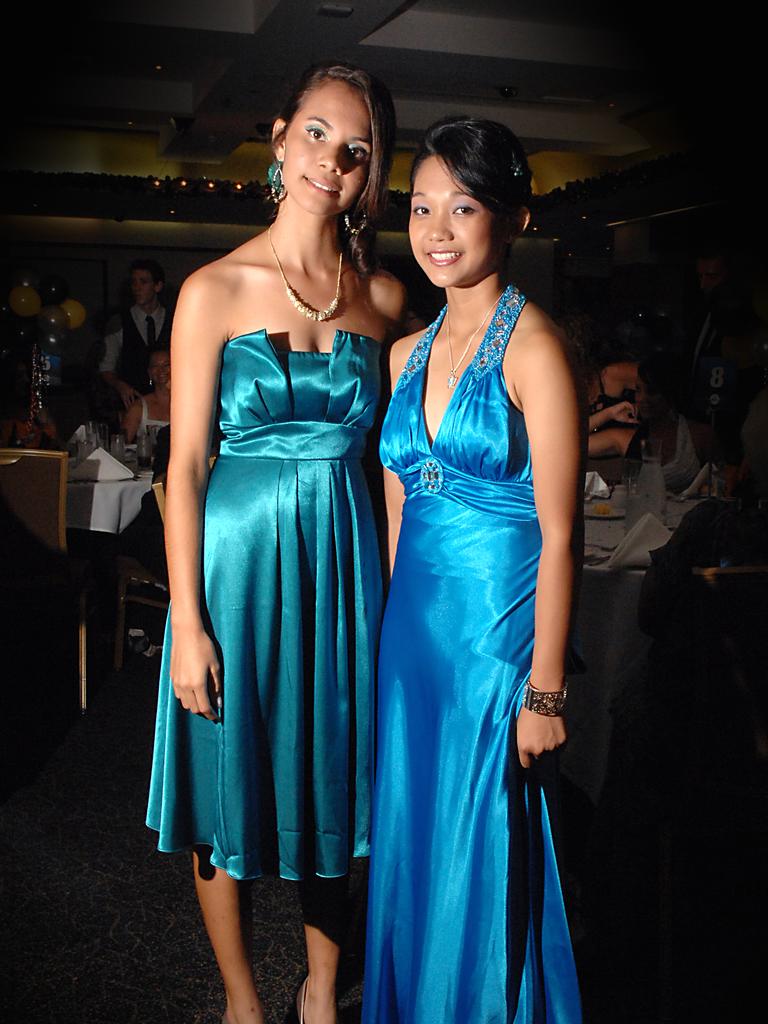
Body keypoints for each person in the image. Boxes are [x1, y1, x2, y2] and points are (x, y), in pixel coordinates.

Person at [145, 62, 406, 1024]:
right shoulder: (213, 289)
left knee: (341, 789)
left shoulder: (382, 302)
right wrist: (188, 619)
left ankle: (323, 993)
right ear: (279, 135)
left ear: (368, 174)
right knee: (229, 789)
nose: (329, 161)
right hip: (233, 577)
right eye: (316, 135)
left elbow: (397, 465)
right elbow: (187, 469)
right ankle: (244, 1001)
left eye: (355, 151)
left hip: (344, 583)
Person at [362, 117, 582, 1022]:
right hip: (412, 653)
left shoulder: (536, 350)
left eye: (463, 206)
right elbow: (395, 513)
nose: (436, 230)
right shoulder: (403, 354)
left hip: (496, 656)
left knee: (477, 857)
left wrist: (546, 692)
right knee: (413, 854)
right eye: (419, 208)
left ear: (513, 219)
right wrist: (387, 645)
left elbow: (564, 536)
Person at [98, 259, 170, 409]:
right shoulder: (119, 322)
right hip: (132, 402)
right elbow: (106, 367)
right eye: (134, 282)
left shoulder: (175, 319)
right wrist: (120, 386)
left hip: (167, 403)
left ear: (157, 286)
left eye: (143, 282)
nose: (137, 288)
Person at [121, 347, 171, 444]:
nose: (161, 370)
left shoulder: (189, 404)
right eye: (155, 366)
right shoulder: (138, 407)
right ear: (149, 373)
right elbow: (121, 445)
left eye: (166, 365)